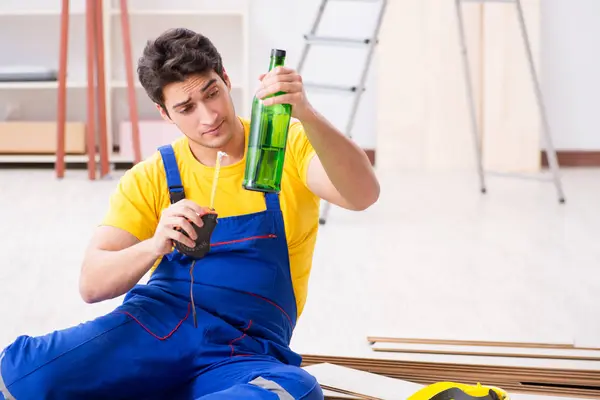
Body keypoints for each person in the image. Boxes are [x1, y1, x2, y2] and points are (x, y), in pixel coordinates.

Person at [0, 28, 379, 400]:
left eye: (212, 93)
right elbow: (92, 283)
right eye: (186, 108)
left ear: (226, 80)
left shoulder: (283, 147)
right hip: (151, 334)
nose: (208, 115)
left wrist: (307, 114)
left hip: (241, 354)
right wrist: (153, 245)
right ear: (164, 113)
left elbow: (363, 194)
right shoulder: (153, 176)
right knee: (20, 371)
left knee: (294, 389)